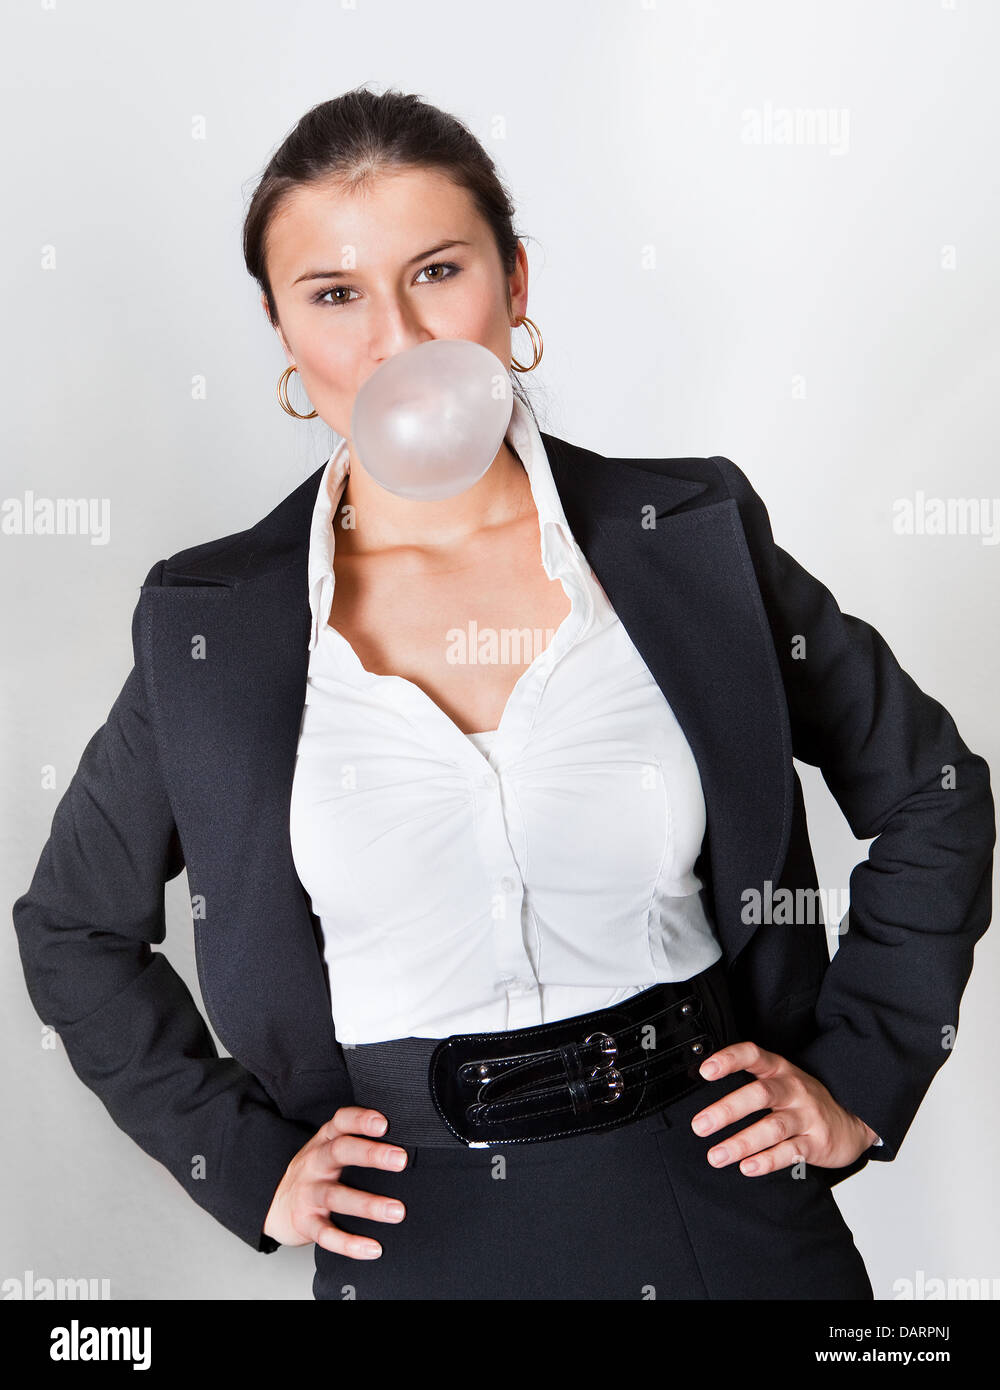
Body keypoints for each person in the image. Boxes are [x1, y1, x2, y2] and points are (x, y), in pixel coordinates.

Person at [12, 85, 995, 1301]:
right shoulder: (206, 624)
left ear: (514, 285)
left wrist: (860, 1071)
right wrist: (245, 1160)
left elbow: (935, 794)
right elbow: (72, 928)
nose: (397, 337)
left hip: (720, 1207)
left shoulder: (685, 534)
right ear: (281, 332)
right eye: (333, 294)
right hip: (412, 1230)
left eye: (437, 272)